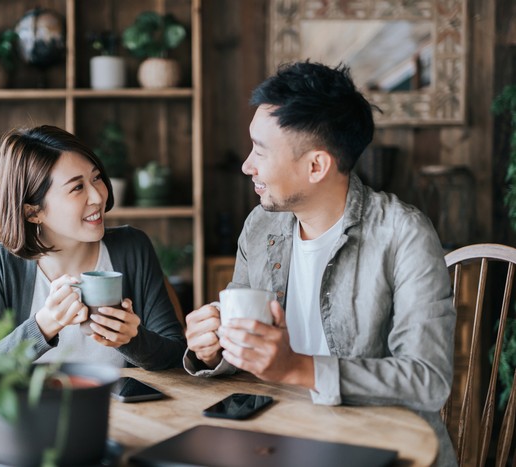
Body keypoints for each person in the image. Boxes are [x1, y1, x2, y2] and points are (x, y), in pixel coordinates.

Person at [183, 62, 457, 466]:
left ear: (316, 165)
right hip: (277, 437)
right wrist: (212, 350)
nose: (247, 165)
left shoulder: (403, 233)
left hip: (380, 447)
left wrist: (300, 370)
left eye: (260, 151)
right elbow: (242, 346)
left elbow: (428, 380)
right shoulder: (261, 225)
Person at [0, 125, 186, 370]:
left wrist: (132, 340)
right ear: (32, 211)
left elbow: (176, 355)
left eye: (96, 177)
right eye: (77, 187)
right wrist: (43, 325)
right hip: (32, 409)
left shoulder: (132, 248)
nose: (98, 197)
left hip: (120, 409)